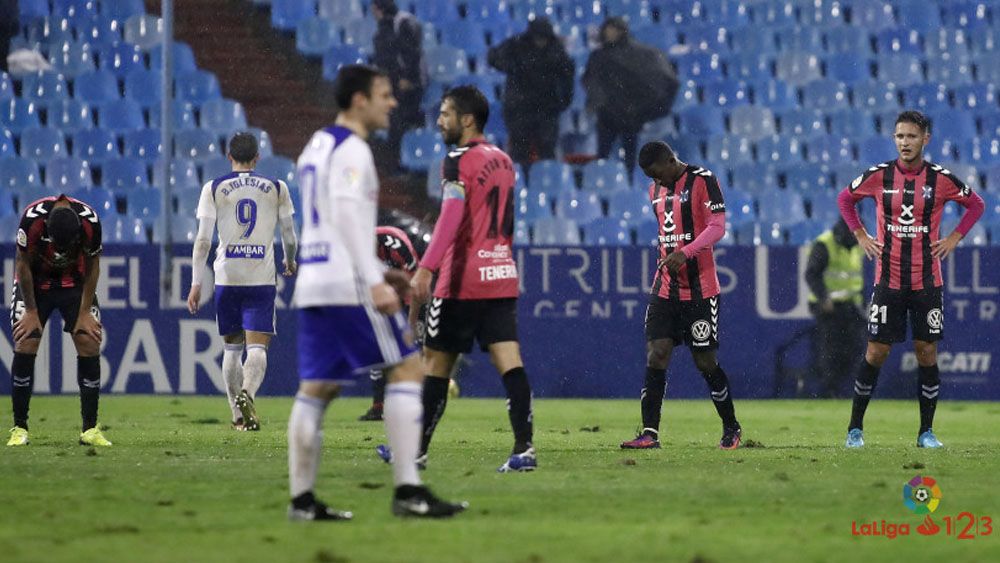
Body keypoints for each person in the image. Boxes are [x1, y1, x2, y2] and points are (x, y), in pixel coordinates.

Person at [290, 64, 466, 520]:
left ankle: (302, 501)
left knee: (317, 388)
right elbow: (348, 215)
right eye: (384, 93)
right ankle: (409, 491)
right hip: (348, 283)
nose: (392, 102)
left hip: (314, 280)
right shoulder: (353, 150)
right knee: (408, 369)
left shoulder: (316, 145)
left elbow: (328, 217)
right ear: (358, 100)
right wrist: (371, 276)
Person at [377, 85, 536, 473]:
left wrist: (427, 268)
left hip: (462, 279)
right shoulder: (503, 160)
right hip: (500, 273)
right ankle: (524, 450)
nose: (440, 121)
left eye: (446, 114)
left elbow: (451, 217)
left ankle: (415, 450)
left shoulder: (457, 160)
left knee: (437, 364)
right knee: (509, 361)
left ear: (467, 120)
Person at [838, 110, 985, 449]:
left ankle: (926, 433)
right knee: (876, 352)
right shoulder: (879, 176)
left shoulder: (942, 179)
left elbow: (976, 205)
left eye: (911, 137)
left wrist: (953, 238)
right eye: (900, 137)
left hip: (927, 282)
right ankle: (855, 430)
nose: (905, 143)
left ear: (925, 139)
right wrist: (860, 234)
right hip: (887, 280)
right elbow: (845, 199)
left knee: (926, 352)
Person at [620, 141, 742, 451]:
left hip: (701, 288)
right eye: (649, 176)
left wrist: (686, 252)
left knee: (705, 361)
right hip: (665, 288)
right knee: (657, 353)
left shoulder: (703, 180)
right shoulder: (654, 192)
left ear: (670, 160)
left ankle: (731, 427)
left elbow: (718, 227)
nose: (654, 180)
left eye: (656, 173)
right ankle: (650, 433)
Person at [186, 132, 297, 432]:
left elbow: (202, 242)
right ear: (257, 158)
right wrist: (290, 259)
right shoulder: (276, 187)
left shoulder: (214, 188)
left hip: (226, 277)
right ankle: (248, 393)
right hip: (260, 276)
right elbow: (288, 233)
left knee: (232, 349)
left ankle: (237, 414)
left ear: (229, 156)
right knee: (258, 348)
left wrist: (197, 282)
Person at [7, 194, 110, 447]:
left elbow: (94, 264)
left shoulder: (90, 221)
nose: (61, 252)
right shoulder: (31, 220)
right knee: (25, 340)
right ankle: (19, 428)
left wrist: (85, 312)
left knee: (89, 340)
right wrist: (31, 311)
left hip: (74, 283)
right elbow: (22, 264)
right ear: (47, 230)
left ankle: (90, 429)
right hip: (35, 283)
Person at [582, 17, 679, 177]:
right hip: (608, 115)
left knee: (631, 158)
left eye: (613, 30)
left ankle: (630, 182)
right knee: (603, 155)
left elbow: (660, 80)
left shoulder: (640, 54)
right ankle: (603, 180)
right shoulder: (599, 56)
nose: (609, 33)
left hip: (631, 115)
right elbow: (590, 81)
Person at [487, 16, 574, 171]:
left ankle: (546, 185)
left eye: (544, 38)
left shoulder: (557, 50)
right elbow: (493, 57)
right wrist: (510, 67)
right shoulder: (516, 45)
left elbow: (567, 77)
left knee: (547, 151)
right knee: (520, 152)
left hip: (546, 108)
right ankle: (520, 186)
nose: (541, 42)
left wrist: (564, 101)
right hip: (519, 108)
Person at [358, 225, 420, 422]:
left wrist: (411, 323)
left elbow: (415, 287)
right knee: (376, 344)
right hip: (383, 291)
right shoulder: (355, 255)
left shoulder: (396, 246)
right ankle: (379, 406)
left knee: (417, 345)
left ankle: (419, 403)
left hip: (415, 282)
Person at [805, 218, 865, 398]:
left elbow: (857, 277)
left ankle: (848, 389)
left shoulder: (857, 243)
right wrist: (824, 298)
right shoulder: (824, 244)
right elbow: (811, 274)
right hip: (827, 306)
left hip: (851, 304)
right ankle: (829, 390)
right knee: (830, 349)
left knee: (854, 347)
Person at [370, 0, 425, 170]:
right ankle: (397, 163)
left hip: (403, 84)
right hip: (398, 84)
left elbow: (410, 53)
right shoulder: (396, 23)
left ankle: (398, 165)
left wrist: (409, 78)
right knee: (397, 122)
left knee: (399, 123)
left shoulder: (397, 25)